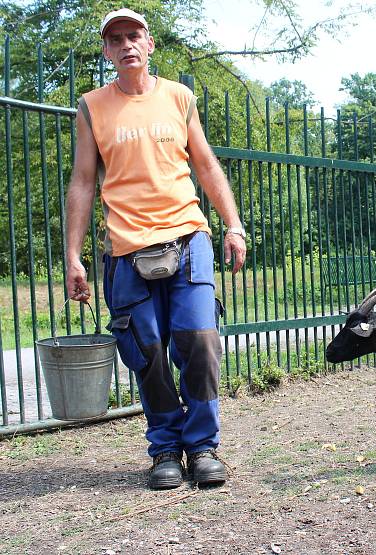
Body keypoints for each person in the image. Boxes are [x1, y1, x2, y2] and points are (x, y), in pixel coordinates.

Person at [65, 8, 247, 490]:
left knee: (201, 342)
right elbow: (83, 183)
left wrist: (233, 225)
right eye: (116, 38)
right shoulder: (91, 107)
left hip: (188, 238)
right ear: (106, 51)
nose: (126, 44)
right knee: (147, 352)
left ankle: (203, 445)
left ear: (149, 45)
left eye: (134, 35)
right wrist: (72, 256)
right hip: (126, 251)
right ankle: (165, 447)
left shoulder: (179, 98)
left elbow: (206, 165)